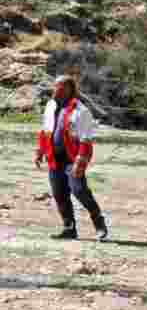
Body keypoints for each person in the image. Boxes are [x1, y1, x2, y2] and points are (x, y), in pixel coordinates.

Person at [34, 75, 110, 241]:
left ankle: (99, 223)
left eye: (59, 87)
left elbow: (86, 139)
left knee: (79, 190)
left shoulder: (81, 111)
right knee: (59, 194)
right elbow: (45, 129)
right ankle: (69, 228)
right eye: (55, 87)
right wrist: (40, 150)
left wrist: (80, 162)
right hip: (54, 157)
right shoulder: (50, 105)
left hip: (72, 159)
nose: (55, 90)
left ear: (68, 89)